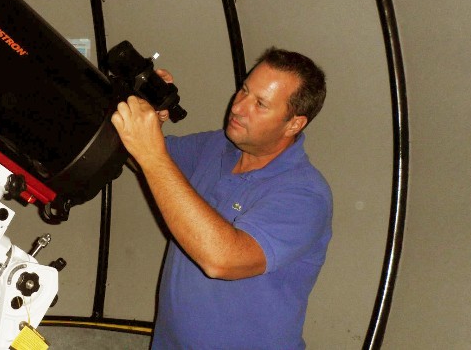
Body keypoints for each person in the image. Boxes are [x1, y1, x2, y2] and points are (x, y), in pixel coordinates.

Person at [110, 47, 332, 349]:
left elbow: (222, 260)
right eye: (244, 90)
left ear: (294, 124)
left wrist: (152, 154)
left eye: (260, 104)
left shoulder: (305, 195)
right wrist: (140, 109)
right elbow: (140, 156)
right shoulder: (216, 146)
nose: (238, 107)